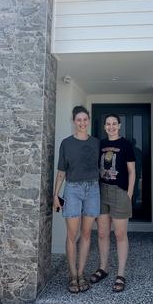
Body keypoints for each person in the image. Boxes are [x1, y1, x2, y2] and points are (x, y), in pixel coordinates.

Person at [53, 106, 100, 293]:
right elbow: (61, 171)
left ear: (88, 120)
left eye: (85, 119)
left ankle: (81, 273)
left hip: (93, 190)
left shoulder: (96, 142)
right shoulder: (66, 143)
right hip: (72, 189)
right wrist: (56, 194)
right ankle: (72, 275)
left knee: (87, 234)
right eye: (78, 120)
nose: (82, 123)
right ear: (73, 121)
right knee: (72, 235)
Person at [90, 114, 135, 292]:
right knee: (102, 233)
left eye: (114, 124)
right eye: (108, 124)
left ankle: (121, 273)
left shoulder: (126, 144)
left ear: (119, 125)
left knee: (120, 234)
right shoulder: (100, 144)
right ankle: (104, 268)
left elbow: (132, 171)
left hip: (120, 192)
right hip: (101, 192)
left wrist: (129, 195)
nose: (111, 126)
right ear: (104, 127)